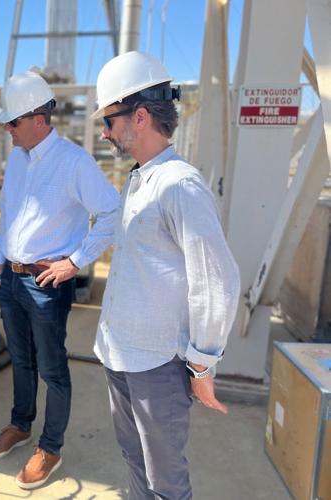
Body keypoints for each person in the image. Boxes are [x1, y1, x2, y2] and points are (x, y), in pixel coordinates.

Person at [91, 50, 241, 499]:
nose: (104, 132)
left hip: (156, 363)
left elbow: (217, 280)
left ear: (139, 117)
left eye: (110, 121)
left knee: (166, 480)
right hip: (120, 353)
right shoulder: (140, 180)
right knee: (135, 459)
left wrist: (202, 362)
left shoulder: (179, 184)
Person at [0, 70, 119, 490]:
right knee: (21, 360)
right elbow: (8, 213)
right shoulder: (16, 158)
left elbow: (111, 212)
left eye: (14, 122)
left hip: (45, 283)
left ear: (39, 119)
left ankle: (51, 447)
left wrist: (74, 261)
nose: (7, 128)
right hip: (11, 278)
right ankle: (20, 424)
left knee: (53, 369)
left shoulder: (74, 162)